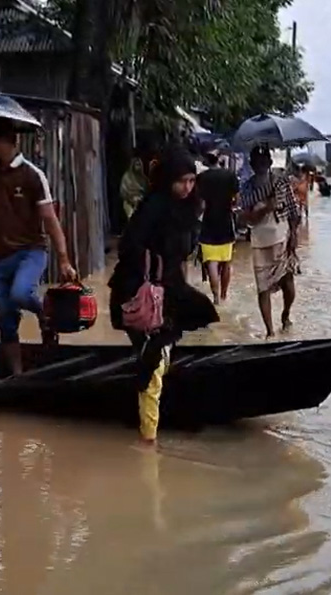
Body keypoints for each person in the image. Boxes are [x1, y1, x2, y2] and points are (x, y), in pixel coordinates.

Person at [0, 117, 77, 376]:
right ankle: (17, 375)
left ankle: (45, 315)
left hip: (31, 251)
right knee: (7, 322)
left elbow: (50, 219)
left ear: (6, 140)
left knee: (21, 293)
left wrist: (63, 259)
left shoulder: (32, 175)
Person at [109, 147, 219, 446]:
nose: (187, 187)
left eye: (192, 181)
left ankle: (150, 418)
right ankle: (148, 442)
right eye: (181, 181)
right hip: (140, 293)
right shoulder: (153, 208)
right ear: (168, 179)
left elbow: (181, 259)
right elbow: (129, 250)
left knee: (159, 359)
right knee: (154, 363)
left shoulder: (187, 210)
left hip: (167, 292)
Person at [239, 145, 301, 338]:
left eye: (264, 161)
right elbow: (245, 219)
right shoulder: (247, 188)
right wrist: (265, 207)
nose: (261, 165)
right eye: (257, 162)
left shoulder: (281, 183)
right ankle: (270, 332)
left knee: (288, 283)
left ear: (270, 162)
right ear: (251, 164)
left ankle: (286, 314)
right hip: (259, 242)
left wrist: (294, 236)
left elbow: (293, 211)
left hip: (282, 237)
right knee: (263, 288)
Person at [195, 151, 239, 304]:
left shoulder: (201, 178)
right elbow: (236, 200)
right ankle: (224, 296)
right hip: (226, 222)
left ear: (206, 160)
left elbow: (200, 204)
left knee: (211, 262)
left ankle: (215, 298)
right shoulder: (230, 176)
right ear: (219, 159)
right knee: (226, 262)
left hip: (208, 223)